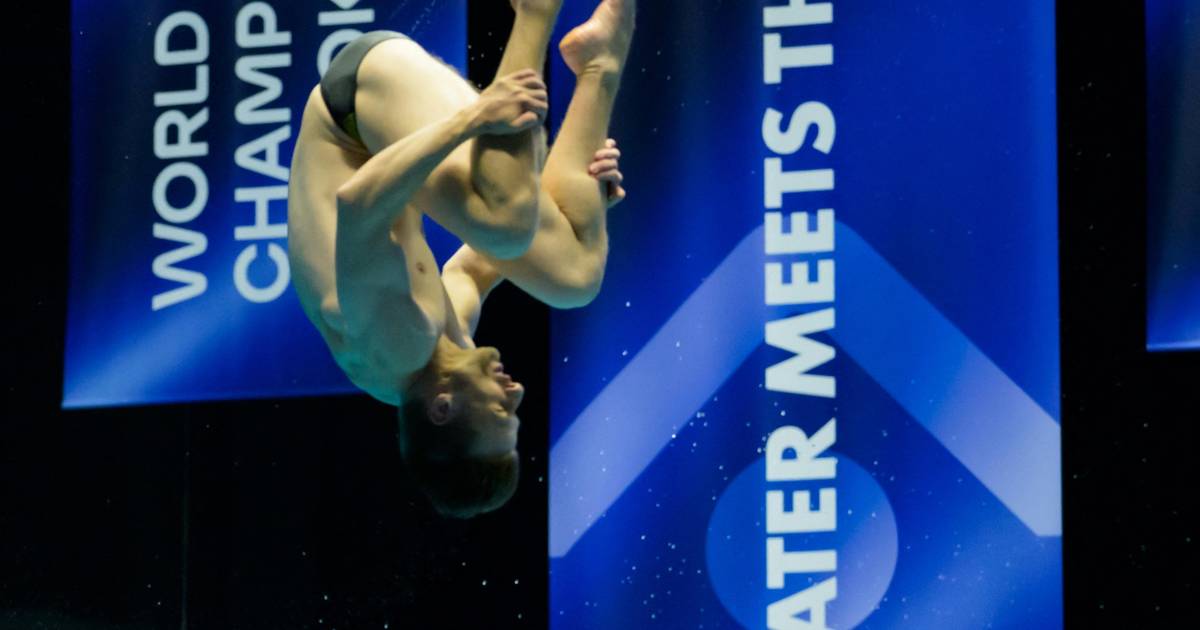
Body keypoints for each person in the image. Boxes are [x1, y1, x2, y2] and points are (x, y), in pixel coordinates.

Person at [287, 0, 636, 518]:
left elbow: (357, 204)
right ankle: (598, 60)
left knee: (505, 220)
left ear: (444, 408)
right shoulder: (441, 355)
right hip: (390, 135)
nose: (516, 391)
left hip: (357, 105)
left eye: (502, 410)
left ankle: (534, 13)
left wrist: (477, 117)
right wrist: (578, 211)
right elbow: (476, 265)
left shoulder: (393, 343)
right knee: (573, 276)